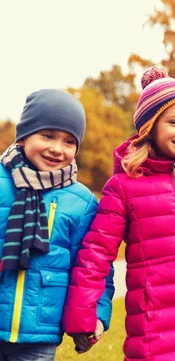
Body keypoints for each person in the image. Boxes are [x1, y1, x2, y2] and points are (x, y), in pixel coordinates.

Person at [62, 67, 175, 361]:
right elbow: (96, 253)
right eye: (174, 122)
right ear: (150, 127)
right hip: (156, 333)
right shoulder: (124, 187)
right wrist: (84, 313)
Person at [0, 89, 114, 360]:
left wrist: (96, 315)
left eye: (68, 141)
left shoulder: (81, 201)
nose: (56, 148)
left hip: (40, 331)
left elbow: (94, 265)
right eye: (47, 135)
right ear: (25, 134)